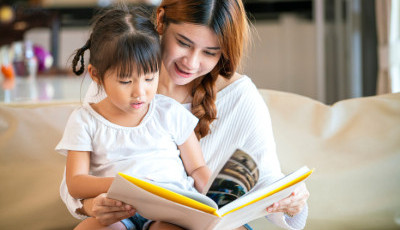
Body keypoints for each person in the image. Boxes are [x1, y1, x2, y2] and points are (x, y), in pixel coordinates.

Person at [67, 0, 311, 229]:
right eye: (183, 43)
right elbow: (78, 179)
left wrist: (292, 201)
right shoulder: (117, 77)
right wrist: (93, 206)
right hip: (125, 215)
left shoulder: (240, 96)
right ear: (161, 21)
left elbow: (264, 179)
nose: (191, 63)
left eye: (210, 52)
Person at [55, 5, 211, 230]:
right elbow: (75, 183)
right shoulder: (85, 121)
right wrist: (130, 187)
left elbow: (197, 168)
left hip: (169, 212)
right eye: (126, 81)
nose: (140, 92)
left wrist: (217, 200)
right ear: (96, 75)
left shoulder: (169, 112)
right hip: (117, 210)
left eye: (149, 78)